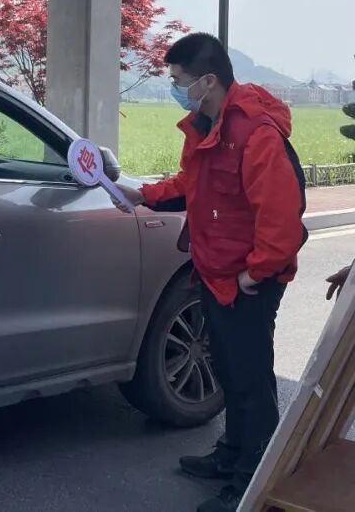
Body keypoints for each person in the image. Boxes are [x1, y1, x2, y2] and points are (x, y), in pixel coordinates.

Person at [116, 33, 305, 512]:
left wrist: (252, 277)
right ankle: (231, 454)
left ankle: (251, 483)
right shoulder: (209, 123)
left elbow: (282, 222)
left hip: (247, 282)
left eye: (179, 80)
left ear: (208, 80)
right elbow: (193, 183)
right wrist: (145, 195)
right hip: (216, 273)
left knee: (250, 382)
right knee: (229, 371)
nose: (175, 89)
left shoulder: (256, 134)